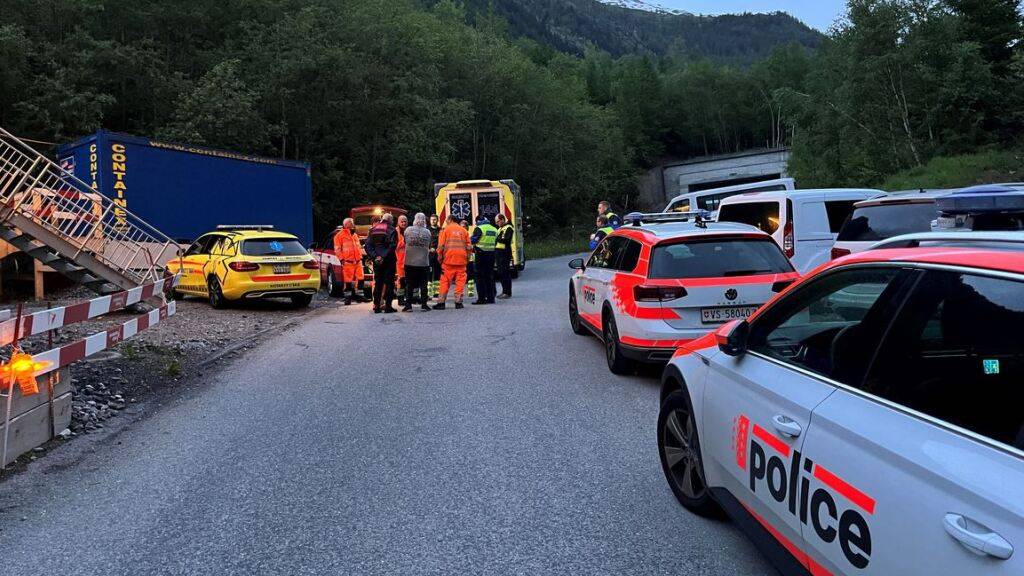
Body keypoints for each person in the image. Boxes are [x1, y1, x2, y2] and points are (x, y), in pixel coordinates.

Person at [433, 215, 470, 310]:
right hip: (461, 260)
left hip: (448, 261)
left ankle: (441, 303)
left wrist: (440, 259)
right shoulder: (464, 231)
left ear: (450, 220)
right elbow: (469, 247)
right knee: (460, 282)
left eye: (446, 220)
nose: (445, 222)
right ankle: (458, 302)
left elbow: (440, 247)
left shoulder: (445, 230)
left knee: (445, 281)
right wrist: (467, 259)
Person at [364, 213, 398, 313]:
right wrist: (383, 256)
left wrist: (375, 256)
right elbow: (392, 246)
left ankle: (377, 306)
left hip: (377, 261)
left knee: (378, 283)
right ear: (390, 220)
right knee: (389, 283)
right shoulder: (392, 230)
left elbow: (367, 246)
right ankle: (388, 306)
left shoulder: (373, 230)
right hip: (389, 260)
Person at [402, 213, 432, 312]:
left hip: (410, 261)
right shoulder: (428, 232)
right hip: (423, 262)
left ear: (415, 219)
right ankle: (424, 305)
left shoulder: (408, 230)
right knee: (423, 284)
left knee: (409, 284)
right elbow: (429, 244)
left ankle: (408, 305)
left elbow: (405, 242)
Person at [333, 218, 365, 305]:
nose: (352, 224)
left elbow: (358, 247)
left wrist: (360, 257)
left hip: (358, 260)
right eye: (351, 223)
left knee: (361, 278)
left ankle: (360, 296)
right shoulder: (339, 236)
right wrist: (342, 259)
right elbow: (337, 250)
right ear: (346, 225)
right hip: (347, 261)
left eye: (352, 223)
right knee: (348, 281)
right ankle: (348, 298)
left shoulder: (354, 235)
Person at [470, 214, 498, 305]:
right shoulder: (494, 229)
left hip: (480, 254)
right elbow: (496, 242)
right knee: (489, 276)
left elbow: (473, 240)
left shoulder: (479, 228)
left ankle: (481, 299)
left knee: (479, 277)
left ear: (478, 221)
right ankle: (491, 298)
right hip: (491, 254)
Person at [494, 214, 514, 299]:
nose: (497, 223)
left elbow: (507, 240)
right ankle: (504, 291)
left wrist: (497, 238)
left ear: (502, 219)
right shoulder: (500, 229)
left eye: (498, 221)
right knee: (501, 272)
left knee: (505, 272)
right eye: (496, 222)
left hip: (505, 252)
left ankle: (507, 292)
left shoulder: (508, 228)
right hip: (499, 252)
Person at [395, 214, 408, 306]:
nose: (403, 223)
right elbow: (395, 246)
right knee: (401, 280)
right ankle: (400, 298)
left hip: (409, 260)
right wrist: (404, 242)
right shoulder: (395, 232)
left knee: (408, 279)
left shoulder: (408, 231)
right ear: (398, 222)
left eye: (405, 221)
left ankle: (409, 297)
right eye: (402, 221)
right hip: (399, 260)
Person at [428, 214, 442, 297]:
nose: (433, 221)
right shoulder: (427, 230)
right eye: (432, 220)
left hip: (438, 255)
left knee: (437, 273)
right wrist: (429, 249)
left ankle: (436, 292)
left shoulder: (441, 230)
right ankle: (429, 292)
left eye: (435, 219)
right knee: (429, 273)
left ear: (437, 220)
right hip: (429, 255)